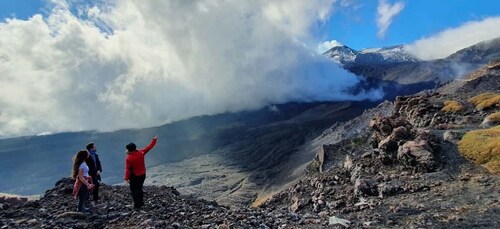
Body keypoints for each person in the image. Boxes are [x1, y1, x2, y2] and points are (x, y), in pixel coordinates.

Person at [124, 136, 158, 209]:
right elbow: (149, 147)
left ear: (129, 150)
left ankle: (137, 206)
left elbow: (128, 169)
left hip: (135, 176)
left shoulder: (129, 158)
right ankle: (141, 203)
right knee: (139, 189)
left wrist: (126, 178)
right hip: (143, 174)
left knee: (134, 190)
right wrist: (154, 140)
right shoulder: (141, 152)